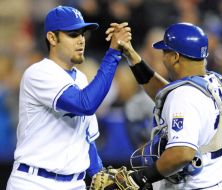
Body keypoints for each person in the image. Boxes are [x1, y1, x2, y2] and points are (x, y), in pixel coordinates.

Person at [6, 5, 131, 190]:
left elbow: (86, 138)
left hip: (75, 184)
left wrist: (100, 174)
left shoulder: (80, 78)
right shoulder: (38, 73)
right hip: (33, 181)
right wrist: (112, 54)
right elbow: (85, 104)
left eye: (82, 33)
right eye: (73, 34)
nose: (81, 40)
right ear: (52, 37)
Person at [104, 22, 222, 189]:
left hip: (199, 185)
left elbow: (182, 154)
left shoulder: (183, 96)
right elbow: (167, 96)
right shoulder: (215, 82)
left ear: (175, 57)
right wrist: (132, 57)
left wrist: (140, 178)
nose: (162, 58)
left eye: (165, 52)